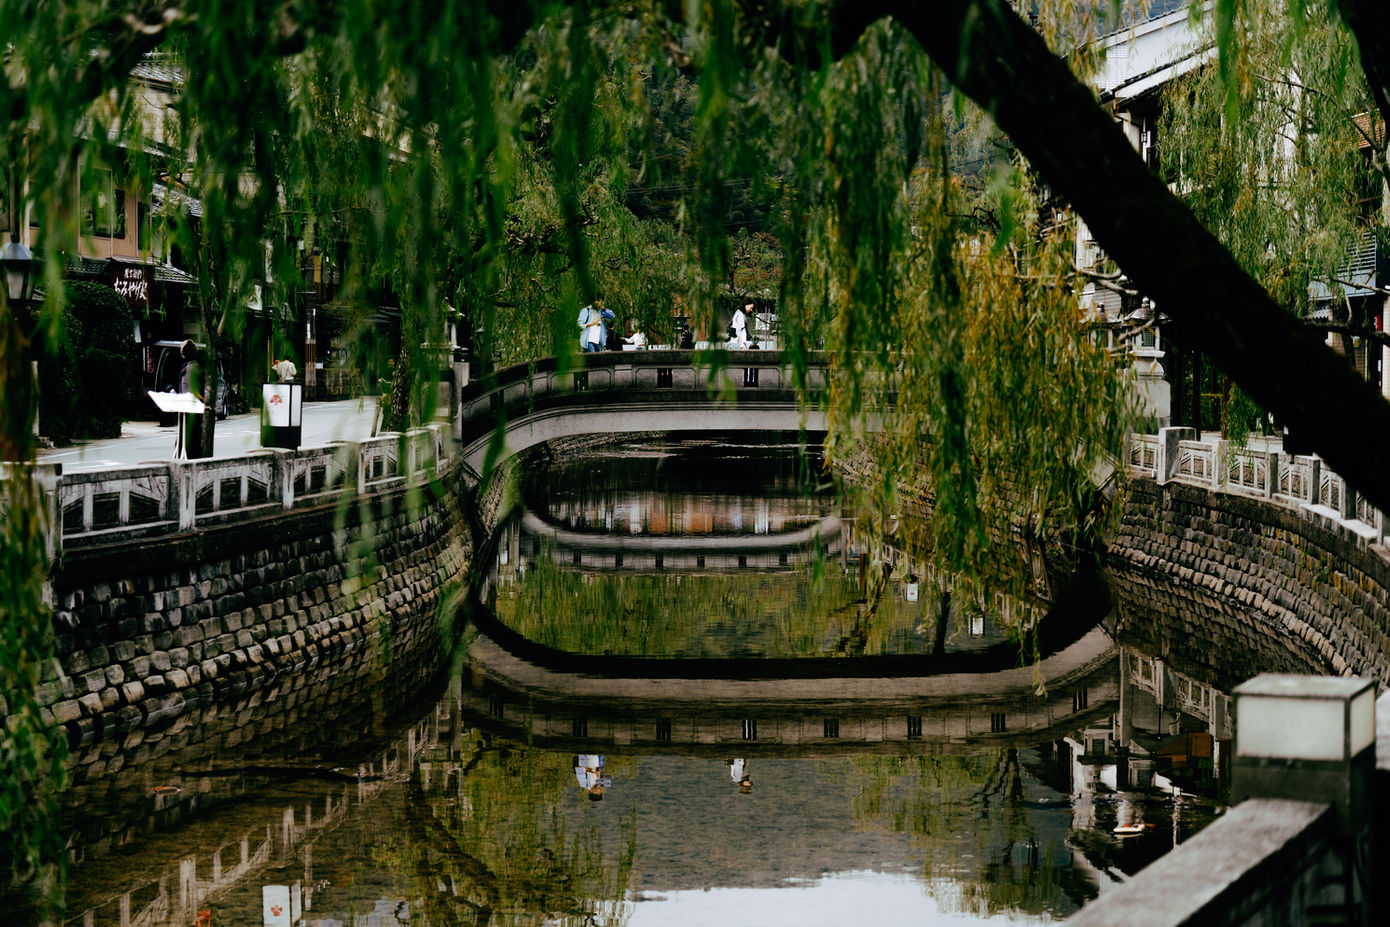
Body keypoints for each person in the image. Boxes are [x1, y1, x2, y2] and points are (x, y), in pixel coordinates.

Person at [177, 339, 206, 459]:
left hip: (191, 408)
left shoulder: (192, 368)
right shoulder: (193, 366)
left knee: (190, 437)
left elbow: (195, 390)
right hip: (190, 407)